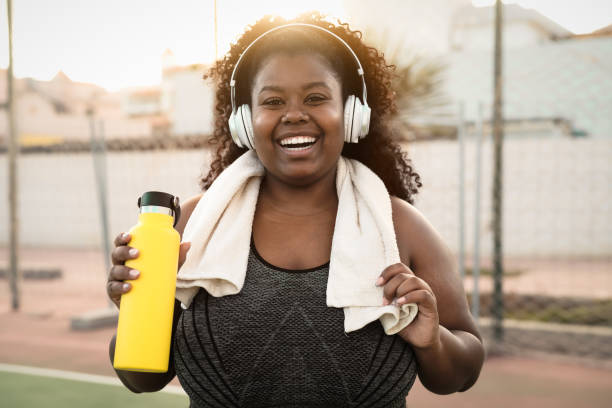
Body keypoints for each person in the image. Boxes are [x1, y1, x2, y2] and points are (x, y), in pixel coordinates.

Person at [107, 12, 484, 407]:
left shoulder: (402, 228)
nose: (294, 114)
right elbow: (141, 381)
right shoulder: (189, 227)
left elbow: (462, 371)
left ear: (353, 114)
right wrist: (136, 310)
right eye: (272, 101)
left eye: (316, 98)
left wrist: (433, 340)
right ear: (244, 123)